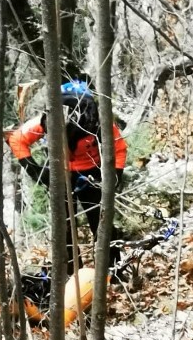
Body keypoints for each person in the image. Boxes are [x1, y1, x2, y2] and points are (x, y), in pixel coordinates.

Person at [7, 76, 127, 276]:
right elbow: (17, 139)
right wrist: (35, 170)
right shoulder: (47, 121)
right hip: (59, 174)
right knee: (64, 230)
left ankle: (112, 270)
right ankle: (73, 275)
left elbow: (119, 146)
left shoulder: (98, 120)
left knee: (101, 223)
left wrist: (116, 173)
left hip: (92, 173)